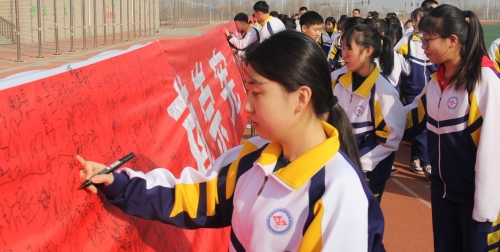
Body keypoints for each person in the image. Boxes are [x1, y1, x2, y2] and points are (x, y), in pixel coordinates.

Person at [77, 30, 386, 252]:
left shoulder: (338, 193)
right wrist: (116, 183)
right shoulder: (253, 159)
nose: (246, 106)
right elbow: (191, 197)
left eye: (257, 92)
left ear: (300, 98)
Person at [404, 5, 500, 252]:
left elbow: (492, 154)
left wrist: (486, 212)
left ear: (453, 40)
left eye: (427, 41)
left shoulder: (485, 81)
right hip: (442, 194)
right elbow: (411, 117)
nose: (422, 47)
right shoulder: (437, 80)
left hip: (477, 202)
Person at [331, 24, 405, 202]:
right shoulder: (335, 80)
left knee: (364, 224)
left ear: (368, 51)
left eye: (350, 49)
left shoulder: (384, 92)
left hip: (368, 174)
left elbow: (389, 140)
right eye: (343, 48)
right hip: (336, 168)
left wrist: (354, 165)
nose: (344, 54)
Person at [395, 7, 436, 178]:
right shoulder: (408, 41)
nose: (417, 23)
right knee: (420, 128)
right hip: (413, 90)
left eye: (419, 19)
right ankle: (425, 162)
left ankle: (417, 158)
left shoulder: (435, 40)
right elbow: (395, 60)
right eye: (415, 20)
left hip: (432, 89)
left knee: (427, 128)